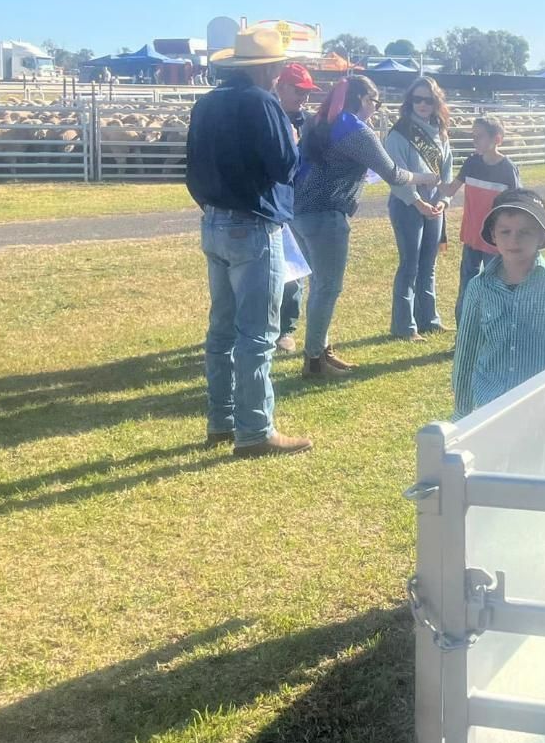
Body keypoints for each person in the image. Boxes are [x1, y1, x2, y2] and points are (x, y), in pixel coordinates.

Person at [184, 26, 311, 459]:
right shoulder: (263, 103)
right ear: (271, 69)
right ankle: (255, 428)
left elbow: (191, 168)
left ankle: (221, 418)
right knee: (256, 332)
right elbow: (284, 166)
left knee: (221, 328)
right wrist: (293, 138)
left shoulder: (206, 104)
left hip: (214, 220)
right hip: (254, 224)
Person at [292, 75, 430, 378]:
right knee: (327, 287)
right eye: (374, 101)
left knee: (319, 286)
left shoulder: (321, 122)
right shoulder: (354, 129)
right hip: (325, 214)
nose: (376, 108)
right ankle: (314, 359)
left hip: (300, 213)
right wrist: (425, 179)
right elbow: (392, 173)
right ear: (361, 99)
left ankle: (321, 350)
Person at [451, 189, 545, 416]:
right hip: (492, 400)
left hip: (544, 399)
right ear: (493, 235)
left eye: (525, 233)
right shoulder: (478, 288)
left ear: (540, 236)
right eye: (505, 232)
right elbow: (467, 349)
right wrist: (462, 412)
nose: (513, 240)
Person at [385, 76, 453, 339]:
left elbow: (447, 169)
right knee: (410, 265)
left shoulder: (440, 130)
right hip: (407, 204)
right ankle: (405, 325)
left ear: (436, 102)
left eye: (428, 99)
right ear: (410, 101)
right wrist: (417, 202)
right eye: (418, 99)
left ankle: (429, 319)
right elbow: (396, 173)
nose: (423, 104)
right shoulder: (399, 132)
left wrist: (444, 200)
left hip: (435, 204)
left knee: (429, 264)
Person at [440, 116, 520, 324]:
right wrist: (429, 177)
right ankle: (464, 332)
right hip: (471, 237)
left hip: (494, 241)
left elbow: (516, 205)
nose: (475, 141)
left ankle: (495, 330)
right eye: (473, 136)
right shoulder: (471, 162)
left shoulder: (507, 168)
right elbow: (450, 189)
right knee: (467, 285)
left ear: (497, 139)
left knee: (495, 286)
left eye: (480, 136)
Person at [273, 62, 319, 352]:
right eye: (298, 91)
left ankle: (286, 328)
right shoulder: (268, 117)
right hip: (273, 202)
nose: (304, 97)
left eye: (307, 92)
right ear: (281, 88)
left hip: (301, 204)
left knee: (294, 268)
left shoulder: (311, 124)